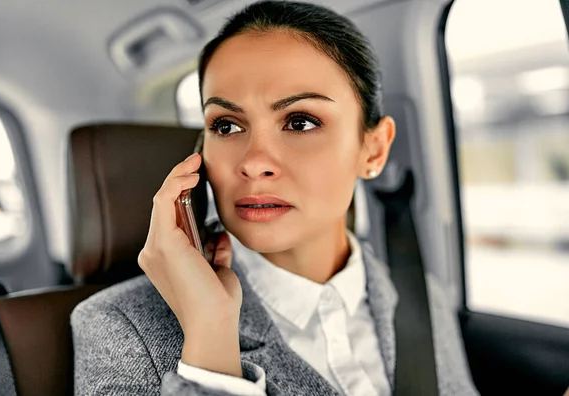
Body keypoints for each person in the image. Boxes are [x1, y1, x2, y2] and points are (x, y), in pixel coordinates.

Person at [71, 1, 479, 395]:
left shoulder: (421, 297)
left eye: (300, 121)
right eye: (227, 126)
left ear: (372, 150)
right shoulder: (120, 326)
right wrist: (211, 344)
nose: (254, 163)